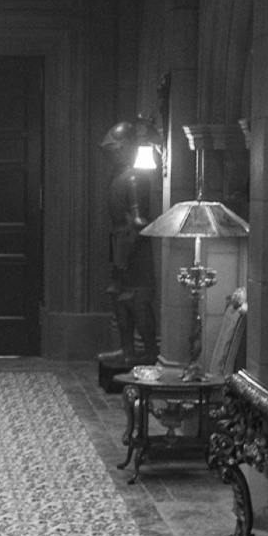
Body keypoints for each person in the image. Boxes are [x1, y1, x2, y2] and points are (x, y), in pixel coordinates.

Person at [98, 121, 159, 366]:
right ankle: (127, 351)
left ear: (125, 147)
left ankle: (150, 352)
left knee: (138, 302)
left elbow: (138, 221)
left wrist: (125, 255)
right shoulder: (121, 176)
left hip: (134, 251)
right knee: (119, 300)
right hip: (120, 245)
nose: (110, 154)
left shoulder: (134, 177)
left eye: (114, 149)